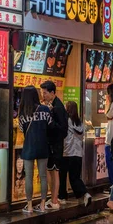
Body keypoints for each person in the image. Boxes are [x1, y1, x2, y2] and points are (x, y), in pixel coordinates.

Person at [18, 86, 52, 213]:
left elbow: (22, 129)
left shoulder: (23, 113)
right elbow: (50, 125)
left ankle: (30, 206)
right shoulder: (45, 110)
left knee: (29, 177)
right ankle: (43, 205)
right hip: (43, 146)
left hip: (29, 148)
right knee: (43, 176)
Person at [40, 81, 68, 210]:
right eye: (42, 93)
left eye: (45, 93)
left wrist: (50, 122)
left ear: (52, 93)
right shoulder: (53, 105)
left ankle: (55, 200)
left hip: (55, 145)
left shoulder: (57, 107)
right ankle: (53, 198)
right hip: (53, 144)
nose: (43, 95)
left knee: (55, 171)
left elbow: (63, 129)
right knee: (51, 171)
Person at [59, 101, 92, 207]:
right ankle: (82, 196)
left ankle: (63, 196)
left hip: (66, 152)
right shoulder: (80, 123)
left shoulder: (66, 121)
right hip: (78, 154)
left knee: (63, 176)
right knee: (75, 177)